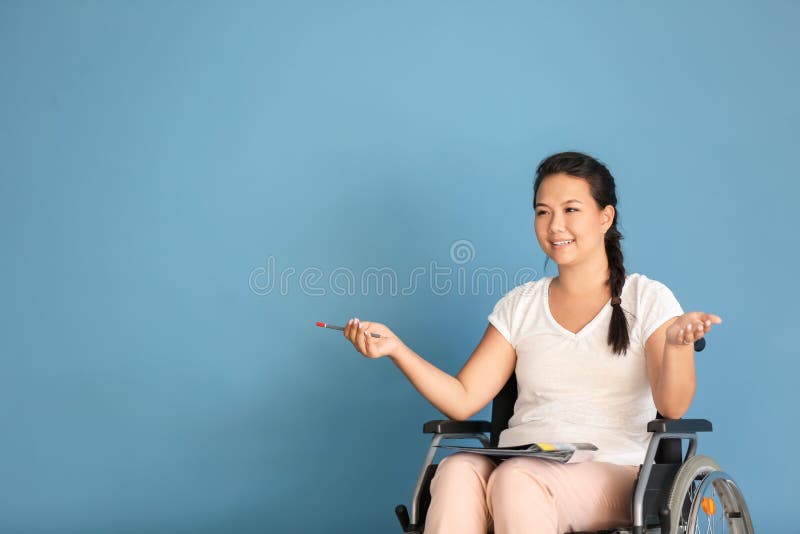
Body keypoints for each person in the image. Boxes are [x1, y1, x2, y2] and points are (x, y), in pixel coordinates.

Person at [341, 151, 722, 534]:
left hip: (616, 472)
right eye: (543, 212)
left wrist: (676, 347)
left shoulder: (648, 298)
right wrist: (396, 349)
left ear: (605, 217)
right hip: (524, 461)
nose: (555, 225)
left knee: (517, 479)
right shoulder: (520, 306)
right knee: (457, 470)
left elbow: (672, 406)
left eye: (571, 209)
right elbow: (462, 397)